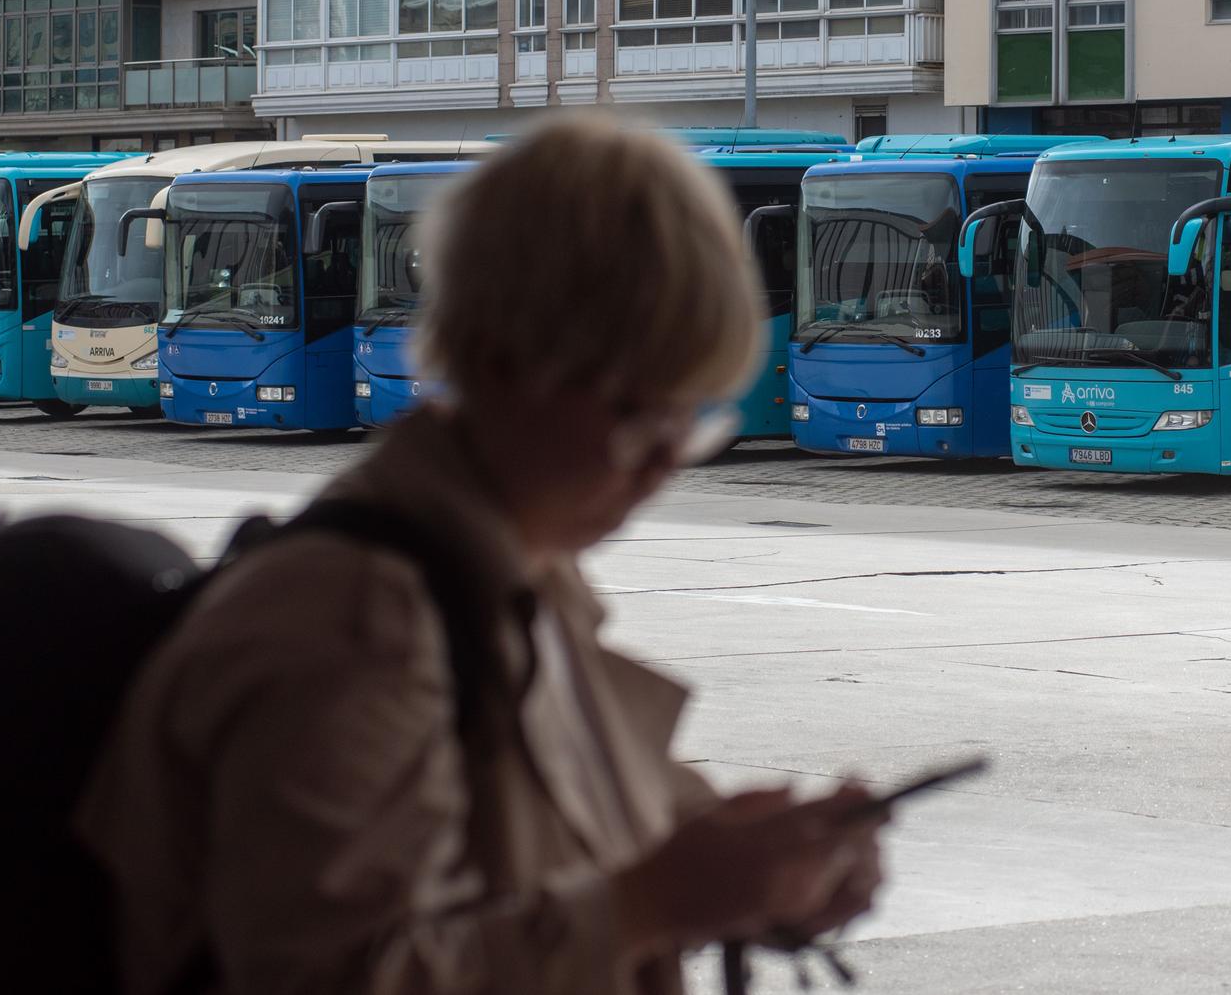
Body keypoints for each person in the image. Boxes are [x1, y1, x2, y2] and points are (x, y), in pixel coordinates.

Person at [77, 116, 885, 995]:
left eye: (692, 417)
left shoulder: (507, 572)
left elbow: (566, 825)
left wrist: (754, 873)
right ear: (504, 358)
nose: (663, 460)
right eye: (634, 409)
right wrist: (658, 899)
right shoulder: (356, 622)